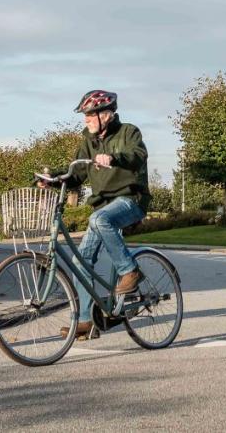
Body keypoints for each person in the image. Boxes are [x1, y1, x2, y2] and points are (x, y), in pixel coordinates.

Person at [41, 89, 150, 338]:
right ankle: (87, 320)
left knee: (99, 219)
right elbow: (76, 173)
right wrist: (53, 178)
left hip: (131, 199)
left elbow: (137, 155)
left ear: (107, 115)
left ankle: (130, 271)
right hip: (103, 204)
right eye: (85, 115)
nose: (86, 119)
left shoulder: (128, 132)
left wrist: (114, 158)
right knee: (81, 261)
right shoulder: (87, 141)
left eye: (90, 115)